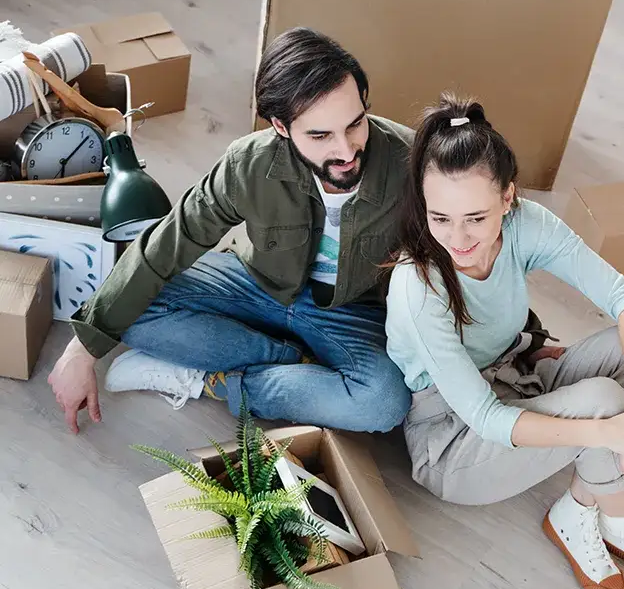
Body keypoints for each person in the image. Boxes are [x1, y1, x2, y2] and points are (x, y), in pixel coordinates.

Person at [384, 94, 624, 589]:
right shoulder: (417, 288)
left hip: (515, 375)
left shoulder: (527, 225)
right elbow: (485, 418)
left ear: (508, 198)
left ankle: (579, 507)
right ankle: (616, 517)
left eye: (475, 218)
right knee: (600, 401)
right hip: (452, 438)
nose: (457, 239)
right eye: (439, 217)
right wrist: (608, 431)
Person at [47, 27, 414, 435]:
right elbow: (166, 245)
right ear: (280, 126)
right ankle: (293, 363)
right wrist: (81, 350)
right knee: (128, 311)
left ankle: (211, 380)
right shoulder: (248, 162)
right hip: (253, 284)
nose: (346, 151)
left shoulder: (413, 162)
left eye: (355, 124)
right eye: (320, 135)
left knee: (383, 403)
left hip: (348, 310)